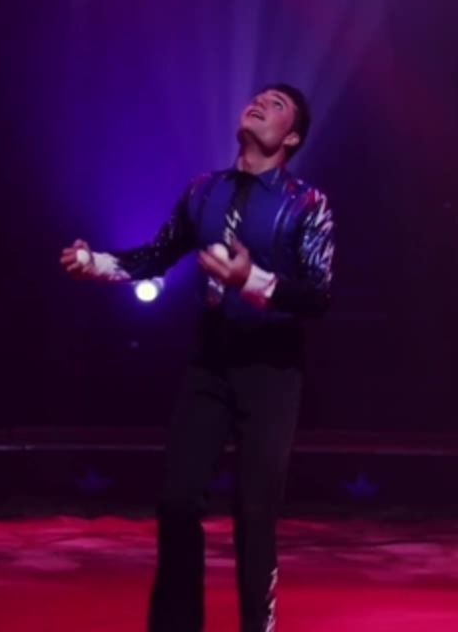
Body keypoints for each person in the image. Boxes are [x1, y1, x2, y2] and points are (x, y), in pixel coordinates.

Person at [60, 83, 335, 632]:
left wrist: (251, 281)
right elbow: (155, 255)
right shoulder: (204, 191)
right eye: (258, 97)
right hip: (209, 363)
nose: (260, 104)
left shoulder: (307, 204)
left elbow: (318, 295)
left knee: (255, 512)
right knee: (177, 502)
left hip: (272, 371)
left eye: (277, 105)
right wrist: (96, 264)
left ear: (292, 137)